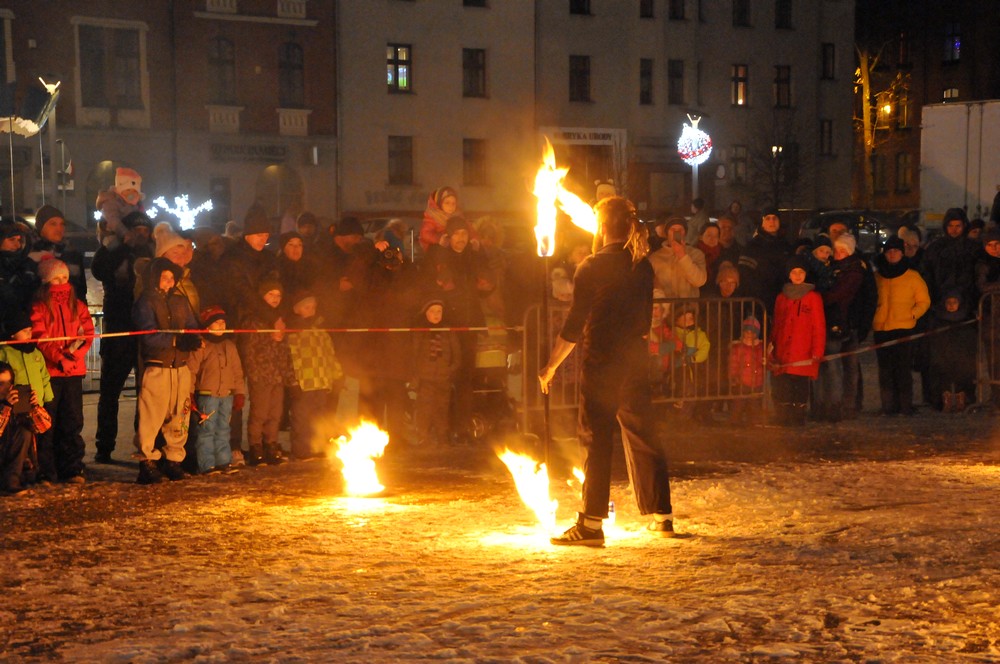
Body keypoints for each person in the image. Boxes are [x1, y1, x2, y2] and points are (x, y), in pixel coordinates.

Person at [539, 196, 674, 546]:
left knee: (596, 439)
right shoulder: (641, 265)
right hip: (634, 361)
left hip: (602, 364)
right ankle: (662, 515)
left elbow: (573, 325)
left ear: (601, 227)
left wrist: (550, 366)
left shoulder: (591, 267)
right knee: (644, 434)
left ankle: (591, 524)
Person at [90, 210, 154, 463]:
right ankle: (104, 446)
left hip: (144, 330)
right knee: (110, 392)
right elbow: (99, 270)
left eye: (144, 231)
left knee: (146, 392)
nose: (140, 235)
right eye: (135, 230)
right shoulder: (113, 252)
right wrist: (118, 248)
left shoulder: (151, 253)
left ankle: (144, 443)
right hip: (118, 329)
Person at [132, 258, 201, 484]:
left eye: (172, 278)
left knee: (180, 415)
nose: (169, 282)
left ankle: (174, 459)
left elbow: (191, 324)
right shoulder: (146, 302)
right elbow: (148, 334)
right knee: (151, 416)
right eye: (164, 277)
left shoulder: (181, 301)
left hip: (180, 367)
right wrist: (175, 340)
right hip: (158, 366)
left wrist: (192, 338)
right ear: (154, 278)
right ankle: (147, 461)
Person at [29, 259, 94, 484]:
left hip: (73, 371)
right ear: (46, 280)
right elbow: (41, 337)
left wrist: (70, 357)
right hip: (50, 373)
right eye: (56, 279)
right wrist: (59, 358)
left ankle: (72, 467)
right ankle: (46, 469)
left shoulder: (78, 305)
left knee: (73, 421)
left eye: (64, 278)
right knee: (48, 422)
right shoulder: (39, 307)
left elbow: (86, 333)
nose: (61, 283)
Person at [872, 237, 931, 416]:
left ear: (902, 253)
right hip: (881, 328)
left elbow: (924, 301)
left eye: (896, 251)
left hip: (903, 327)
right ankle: (888, 406)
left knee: (903, 369)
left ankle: (905, 406)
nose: (892, 254)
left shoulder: (912, 276)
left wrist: (912, 314)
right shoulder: (877, 276)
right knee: (885, 370)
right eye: (889, 251)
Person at [239, 275, 293, 466]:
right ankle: (255, 447)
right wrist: (253, 372)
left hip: (276, 375)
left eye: (278, 295)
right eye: (271, 294)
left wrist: (287, 373)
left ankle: (271, 444)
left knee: (275, 413)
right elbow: (250, 350)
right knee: (259, 413)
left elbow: (285, 351)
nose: (275, 298)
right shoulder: (254, 321)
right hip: (261, 374)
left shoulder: (280, 320)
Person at [185, 306, 245, 474]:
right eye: (217, 322)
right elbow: (191, 370)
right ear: (208, 325)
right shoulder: (202, 346)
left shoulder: (230, 346)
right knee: (206, 430)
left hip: (226, 395)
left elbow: (237, 371)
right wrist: (189, 393)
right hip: (207, 395)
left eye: (223, 322)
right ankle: (206, 464)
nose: (221, 325)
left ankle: (223, 461)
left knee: (224, 429)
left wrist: (239, 392)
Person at [769, 256, 825, 426]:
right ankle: (783, 416)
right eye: (794, 272)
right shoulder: (782, 297)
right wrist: (772, 346)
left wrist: (817, 351)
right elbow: (777, 323)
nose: (798, 275)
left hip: (802, 350)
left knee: (799, 385)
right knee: (783, 385)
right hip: (783, 350)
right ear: (789, 275)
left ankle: (798, 416)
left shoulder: (813, 297)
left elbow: (819, 326)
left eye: (801, 272)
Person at [285, 290, 342, 459]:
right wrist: (292, 381)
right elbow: (288, 358)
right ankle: (302, 450)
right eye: (306, 307)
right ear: (297, 309)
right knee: (301, 419)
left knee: (320, 418)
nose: (311, 310)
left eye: (313, 307)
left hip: (322, 382)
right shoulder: (293, 333)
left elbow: (330, 354)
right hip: (304, 383)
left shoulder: (320, 332)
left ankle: (318, 447)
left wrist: (337, 375)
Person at [0, 311, 54, 483]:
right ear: (12, 333)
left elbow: (44, 376)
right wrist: (6, 403)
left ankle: (30, 471)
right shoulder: (5, 353)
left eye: (30, 329)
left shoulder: (35, 353)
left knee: (30, 434)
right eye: (24, 330)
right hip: (9, 406)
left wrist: (43, 400)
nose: (29, 333)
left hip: (28, 405)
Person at [412, 299, 460, 448]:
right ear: (426, 313)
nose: (436, 315)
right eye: (432, 311)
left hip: (443, 377)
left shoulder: (448, 331)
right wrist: (416, 374)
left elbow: (457, 354)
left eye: (439, 311)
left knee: (442, 407)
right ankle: (423, 437)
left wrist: (450, 369)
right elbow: (414, 354)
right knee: (424, 408)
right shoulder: (421, 332)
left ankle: (442, 436)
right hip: (425, 377)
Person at [0, 361, 51, 495]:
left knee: (24, 431)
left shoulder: (17, 402)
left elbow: (44, 426)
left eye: (8, 383)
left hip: (20, 466)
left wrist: (34, 407)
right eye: (0, 384)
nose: (4, 388)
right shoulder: (8, 404)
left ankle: (14, 480)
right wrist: (5, 407)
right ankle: (10, 482)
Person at [926, 290, 977, 412]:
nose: (951, 305)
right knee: (942, 374)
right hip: (943, 352)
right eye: (948, 302)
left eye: (954, 302)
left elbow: (970, 337)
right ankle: (945, 400)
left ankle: (963, 399)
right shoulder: (938, 318)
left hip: (962, 352)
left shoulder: (967, 317)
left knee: (964, 373)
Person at [738, 207, 792, 316]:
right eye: (768, 218)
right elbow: (745, 274)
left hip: (783, 299)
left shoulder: (785, 245)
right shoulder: (752, 246)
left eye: (775, 218)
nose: (771, 221)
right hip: (760, 302)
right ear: (762, 222)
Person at [27, 205, 87, 302]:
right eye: (53, 224)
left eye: (62, 224)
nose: (59, 228)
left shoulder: (72, 253)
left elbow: (80, 290)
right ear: (40, 226)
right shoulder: (30, 252)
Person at [647, 217, 707, 299]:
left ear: (685, 233)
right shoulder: (655, 258)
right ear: (667, 233)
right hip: (665, 309)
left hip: (688, 309)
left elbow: (699, 281)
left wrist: (682, 255)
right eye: (672, 229)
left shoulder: (696, 254)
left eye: (680, 229)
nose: (676, 232)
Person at [728, 317, 765, 425]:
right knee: (738, 403)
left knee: (754, 405)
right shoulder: (738, 347)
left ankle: (754, 422)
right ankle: (734, 421)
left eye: (752, 331)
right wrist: (733, 376)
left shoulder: (760, 347)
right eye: (747, 331)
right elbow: (733, 363)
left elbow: (765, 361)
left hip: (757, 381)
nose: (749, 333)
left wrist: (767, 359)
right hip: (742, 381)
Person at [419, 186, 459, 251]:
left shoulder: (457, 216)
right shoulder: (432, 217)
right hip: (436, 250)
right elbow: (425, 234)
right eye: (447, 203)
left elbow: (468, 228)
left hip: (453, 249)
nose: (450, 206)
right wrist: (438, 239)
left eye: (453, 203)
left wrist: (474, 239)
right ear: (439, 203)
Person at [696, 223, 724, 288]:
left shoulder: (723, 253)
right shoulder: (694, 254)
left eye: (716, 236)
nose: (713, 239)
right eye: (709, 235)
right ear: (700, 237)